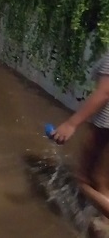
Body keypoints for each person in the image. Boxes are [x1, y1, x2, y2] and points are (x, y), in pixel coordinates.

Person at [51, 54, 109, 230]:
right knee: (100, 179)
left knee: (83, 180)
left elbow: (105, 92)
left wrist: (71, 123)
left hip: (106, 126)